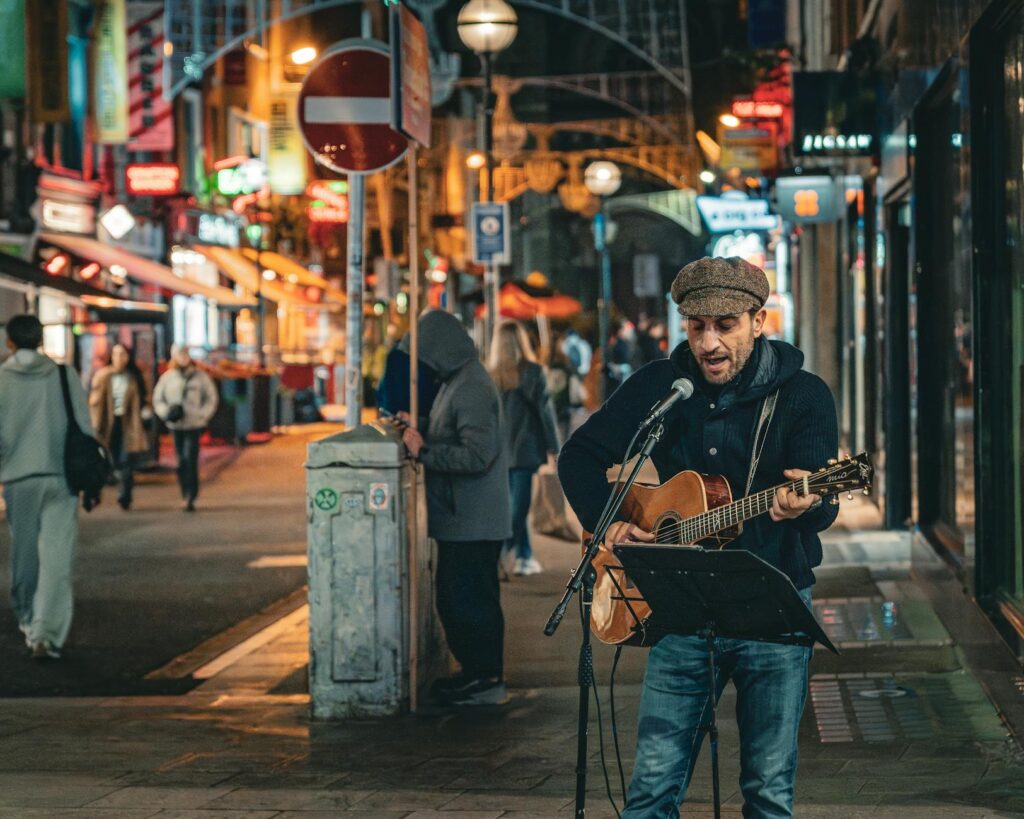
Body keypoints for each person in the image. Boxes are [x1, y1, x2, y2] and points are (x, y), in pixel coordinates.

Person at [558, 256, 839, 818]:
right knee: (653, 786)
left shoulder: (804, 396)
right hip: (681, 608)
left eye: (726, 325)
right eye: (696, 326)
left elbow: (820, 507)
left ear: (759, 321)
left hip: (773, 611)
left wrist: (802, 507)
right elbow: (579, 457)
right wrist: (611, 522)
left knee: (767, 788)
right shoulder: (663, 387)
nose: (709, 343)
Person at [399, 310, 512, 706]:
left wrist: (425, 450)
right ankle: (477, 674)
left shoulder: (470, 387)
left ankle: (484, 678)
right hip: (463, 518)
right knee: (459, 597)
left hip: (472, 519)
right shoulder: (459, 382)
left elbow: (478, 454)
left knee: (468, 599)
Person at [0, 314, 93, 660]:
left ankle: (27, 617)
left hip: (18, 478)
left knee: (24, 553)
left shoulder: (1, 379)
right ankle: (48, 633)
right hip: (61, 476)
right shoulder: (63, 375)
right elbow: (85, 425)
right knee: (56, 556)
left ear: (10, 342)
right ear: (40, 340)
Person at [487, 321, 560, 577]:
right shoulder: (532, 372)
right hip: (525, 447)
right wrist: (554, 446)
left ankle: (525, 556)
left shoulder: (491, 374)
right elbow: (545, 412)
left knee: (511, 505)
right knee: (518, 508)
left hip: (498, 450)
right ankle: (497, 553)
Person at [153, 345, 219, 512]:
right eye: (179, 354)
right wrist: (166, 413)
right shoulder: (168, 378)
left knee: (190, 457)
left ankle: (191, 494)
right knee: (181, 460)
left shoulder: (200, 376)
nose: (183, 357)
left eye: (185, 354)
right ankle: (184, 491)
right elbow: (158, 398)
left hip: (194, 423)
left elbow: (211, 397)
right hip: (176, 424)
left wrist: (202, 415)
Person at [89, 343, 150, 510]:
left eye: (123, 354)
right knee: (108, 458)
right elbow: (94, 400)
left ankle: (125, 495)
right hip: (107, 422)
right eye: (116, 354)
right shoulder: (103, 375)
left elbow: (143, 399)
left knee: (126, 460)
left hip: (128, 423)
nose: (119, 358)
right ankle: (97, 492)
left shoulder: (133, 377)